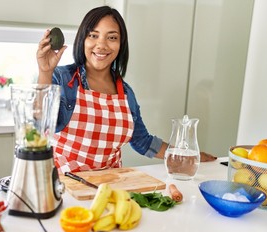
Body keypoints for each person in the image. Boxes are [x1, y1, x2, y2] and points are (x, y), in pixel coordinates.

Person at [36, 5, 216, 174]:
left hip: (110, 188)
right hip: (63, 186)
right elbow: (40, 124)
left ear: (121, 44)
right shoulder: (63, 77)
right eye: (93, 35)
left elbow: (142, 141)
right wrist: (45, 71)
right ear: (82, 39)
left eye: (112, 37)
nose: (102, 44)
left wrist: (184, 155)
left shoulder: (126, 93)